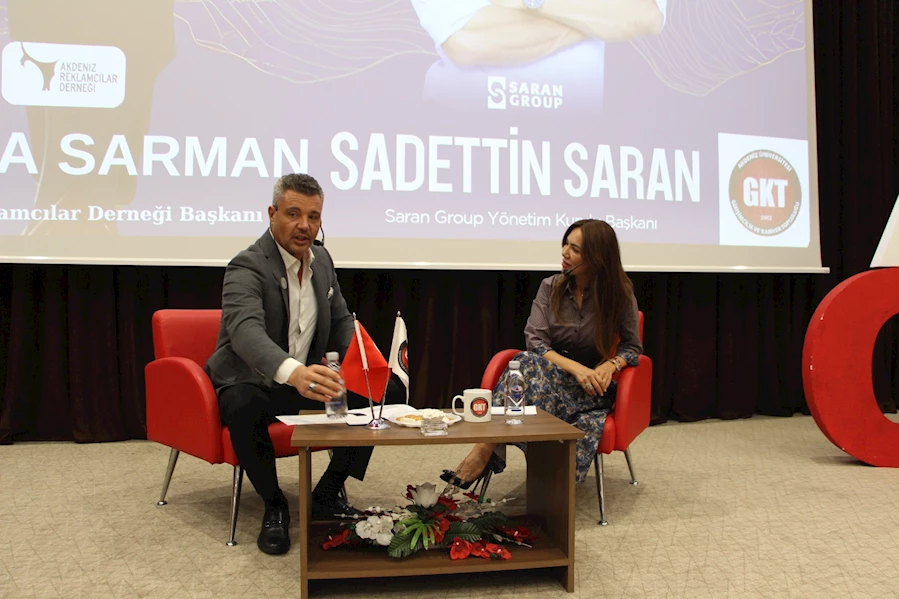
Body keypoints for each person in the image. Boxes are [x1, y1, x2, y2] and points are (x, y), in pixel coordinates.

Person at [205, 173, 397, 555]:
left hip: (305, 380)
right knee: (242, 402)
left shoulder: (322, 260)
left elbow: (340, 320)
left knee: (382, 389)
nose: (304, 225)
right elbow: (245, 332)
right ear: (272, 214)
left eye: (313, 216)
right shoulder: (246, 266)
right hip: (252, 379)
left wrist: (365, 360)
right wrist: (293, 373)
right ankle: (274, 505)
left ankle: (326, 494)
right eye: (293, 214)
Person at [445, 219, 643, 487]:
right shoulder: (550, 287)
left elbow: (632, 347)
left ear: (597, 258)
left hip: (590, 390)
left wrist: (610, 366)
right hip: (550, 379)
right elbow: (535, 341)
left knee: (525, 371)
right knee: (525, 362)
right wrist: (574, 368)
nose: (564, 253)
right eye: (565, 244)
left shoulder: (619, 294)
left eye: (575, 249)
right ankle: (488, 451)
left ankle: (486, 453)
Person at [409, 0, 667, 110]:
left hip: (579, 145)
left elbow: (645, 15)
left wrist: (531, 2)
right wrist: (600, 20)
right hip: (463, 136)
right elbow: (466, 40)